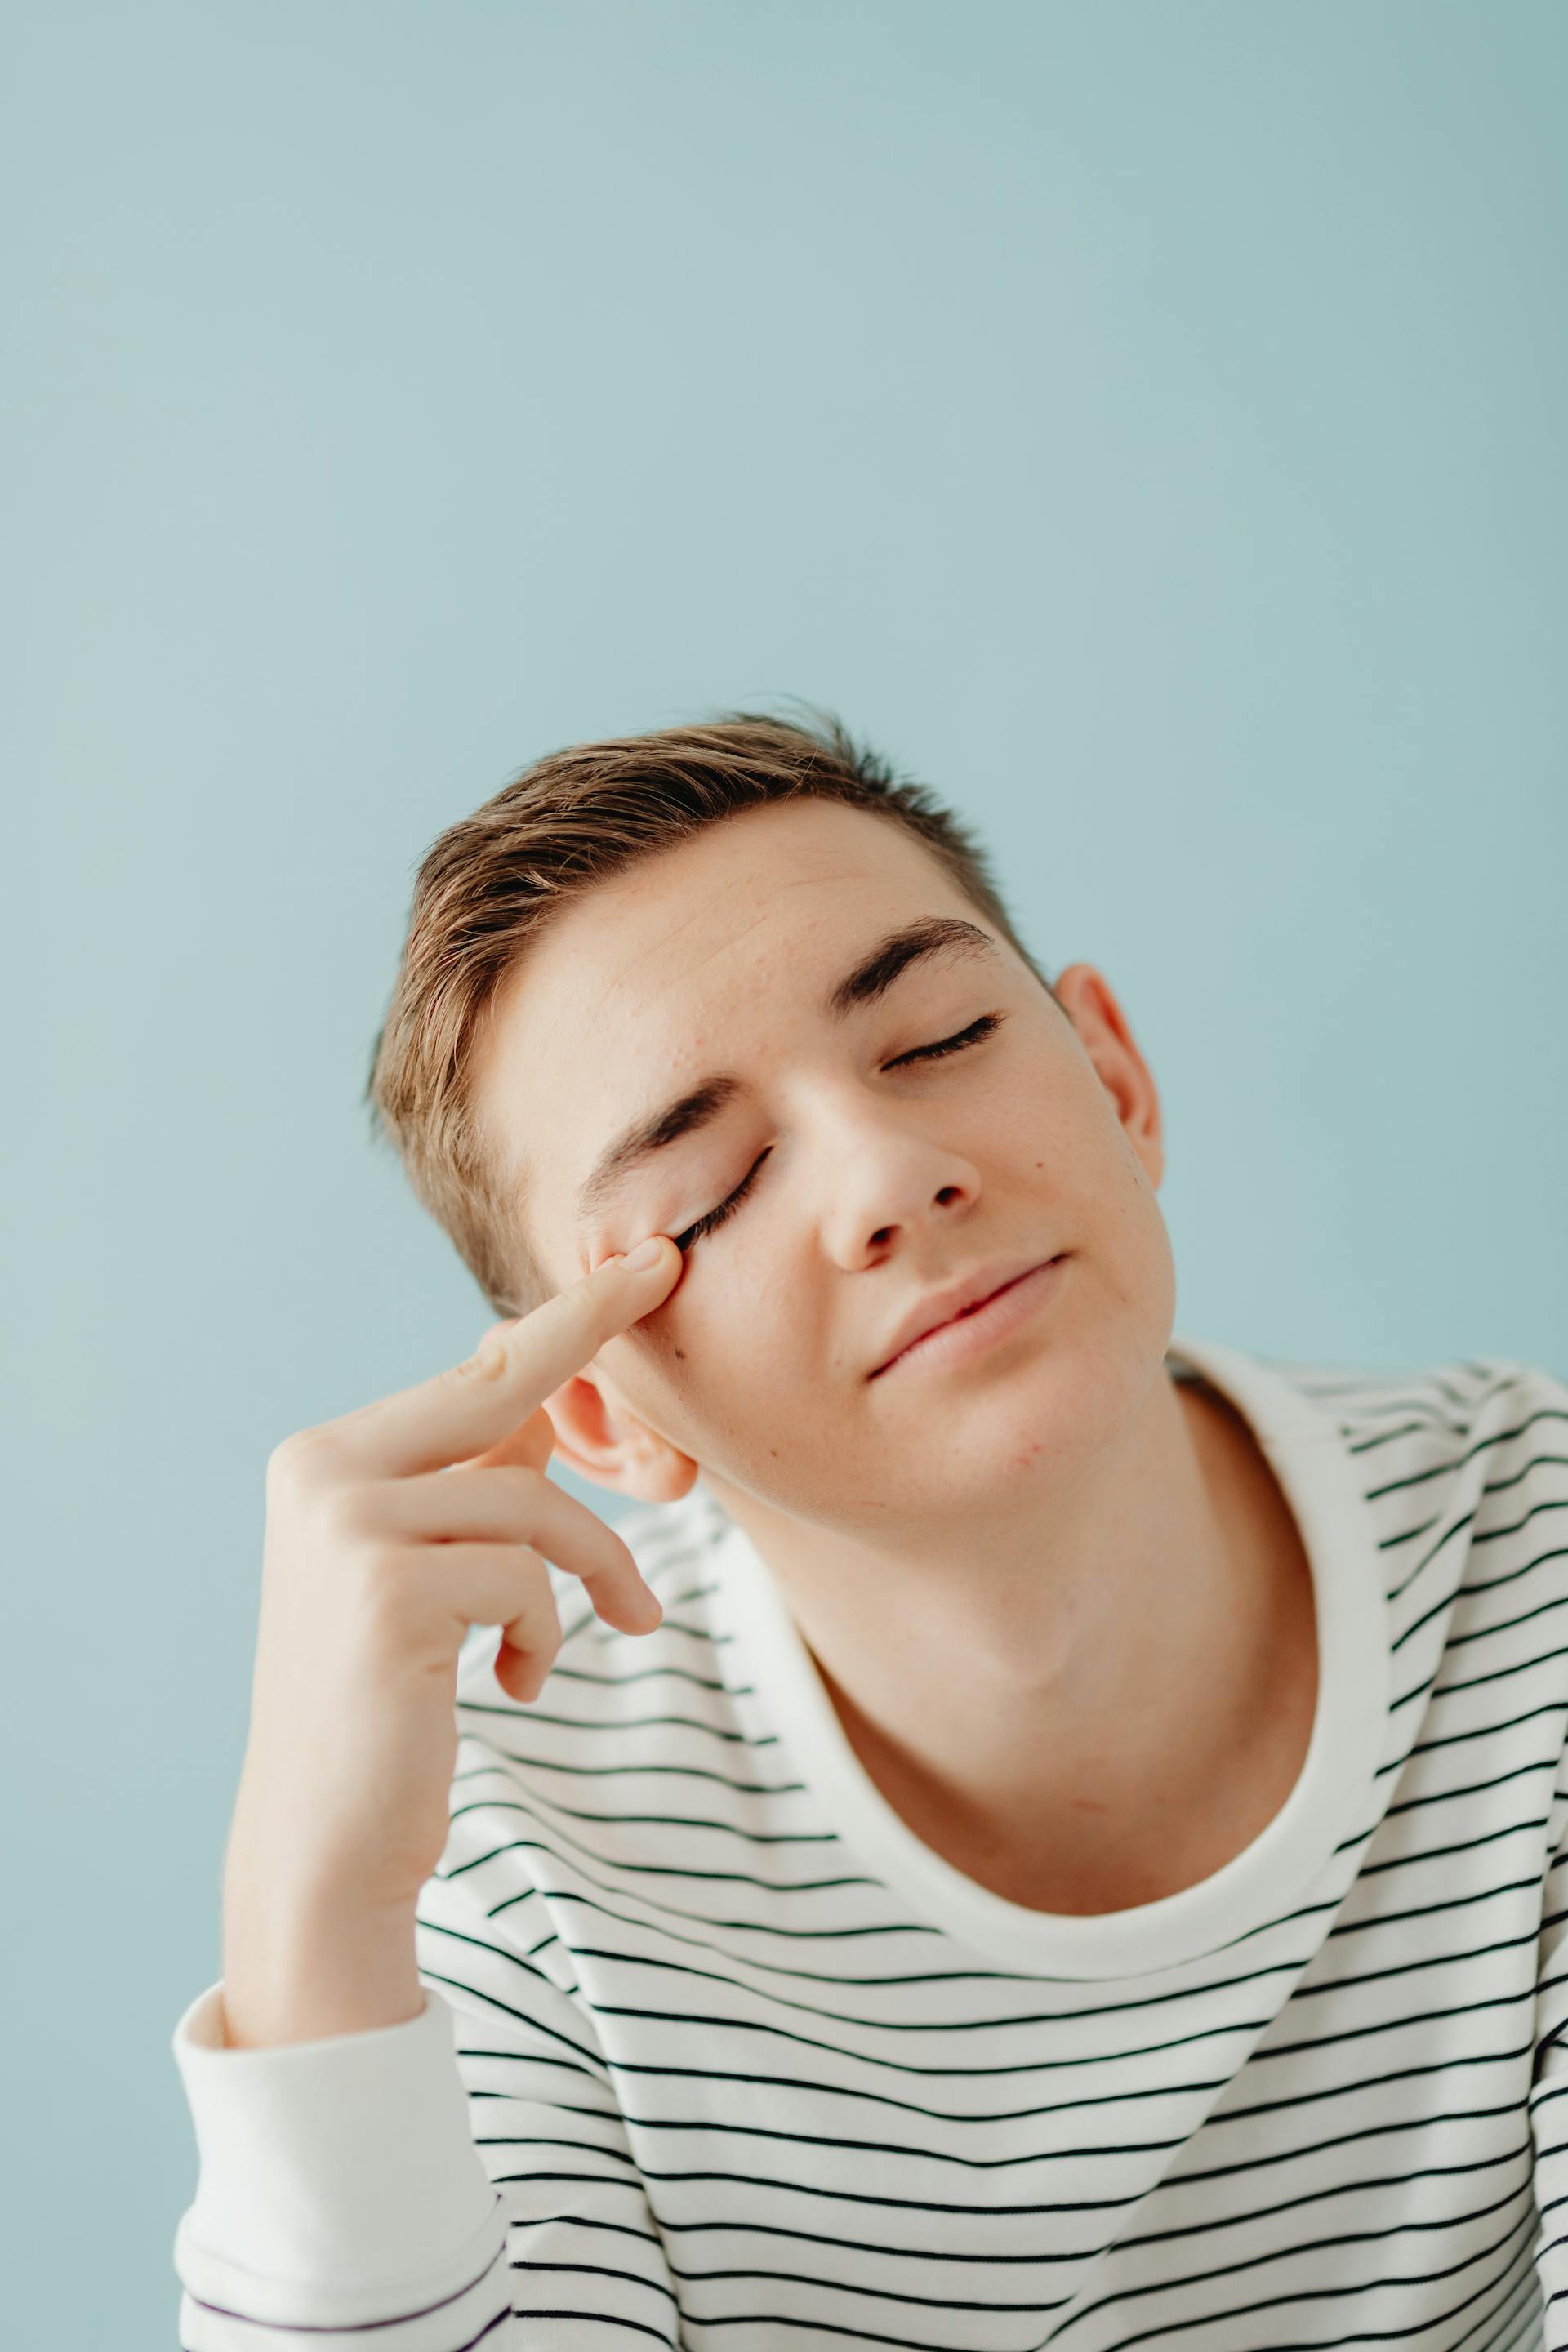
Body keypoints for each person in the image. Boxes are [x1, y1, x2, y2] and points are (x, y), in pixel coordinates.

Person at [172, 710, 1568, 2350]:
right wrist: (310, 1937)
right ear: (603, 1413)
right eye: (710, 1192)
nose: (890, 1173)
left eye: (939, 1036)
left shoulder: (1533, 1557)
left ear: (1117, 1081)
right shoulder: (510, 1870)